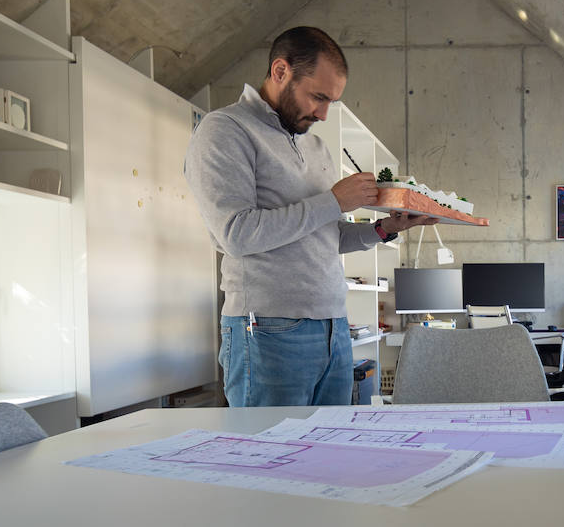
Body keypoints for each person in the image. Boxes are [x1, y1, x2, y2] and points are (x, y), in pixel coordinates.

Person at [185, 26, 436, 406]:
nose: (322, 113)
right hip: (268, 329)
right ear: (281, 71)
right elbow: (235, 234)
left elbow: (327, 236)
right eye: (318, 97)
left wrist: (385, 228)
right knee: (270, 458)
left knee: (327, 460)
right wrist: (334, 201)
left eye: (331, 101)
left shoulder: (316, 146)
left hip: (334, 328)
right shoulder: (224, 130)